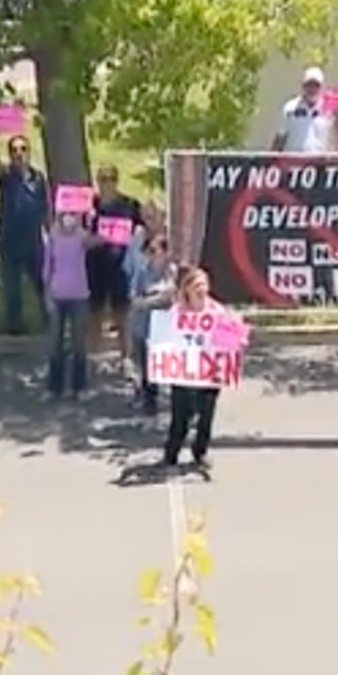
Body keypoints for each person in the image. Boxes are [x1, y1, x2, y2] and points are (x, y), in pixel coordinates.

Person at [161, 266, 227, 469]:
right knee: (180, 416)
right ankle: (171, 453)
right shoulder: (176, 313)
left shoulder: (217, 312)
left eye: (204, 284)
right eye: (196, 285)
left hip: (209, 372)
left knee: (206, 416)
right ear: (186, 289)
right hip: (183, 371)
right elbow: (165, 339)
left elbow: (227, 342)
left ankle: (200, 452)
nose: (201, 289)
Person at [0, 129, 49, 334]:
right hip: (11, 241)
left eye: (23, 149)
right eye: (14, 150)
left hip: (34, 241)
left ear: (29, 152)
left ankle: (49, 321)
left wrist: (50, 235)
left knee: (43, 283)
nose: (19, 153)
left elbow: (45, 208)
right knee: (12, 288)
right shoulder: (6, 176)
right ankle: (15, 325)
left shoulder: (38, 178)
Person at [88, 163, 145, 371]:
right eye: (102, 179)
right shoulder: (90, 206)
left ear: (116, 181)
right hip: (94, 265)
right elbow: (79, 233)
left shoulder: (129, 204)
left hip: (121, 266)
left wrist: (134, 239)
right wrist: (93, 239)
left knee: (122, 313)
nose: (106, 183)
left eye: (110, 178)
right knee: (95, 313)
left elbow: (142, 228)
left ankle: (126, 357)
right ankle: (94, 357)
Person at [42, 209, 94, 400]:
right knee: (55, 343)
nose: (69, 218)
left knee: (78, 343)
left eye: (73, 214)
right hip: (56, 295)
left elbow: (94, 242)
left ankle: (79, 387)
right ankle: (54, 387)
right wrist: (46, 292)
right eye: (65, 214)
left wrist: (89, 223)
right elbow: (47, 266)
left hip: (79, 295)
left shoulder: (82, 235)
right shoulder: (52, 235)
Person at [127, 234, 178, 415]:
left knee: (162, 366)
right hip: (142, 326)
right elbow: (134, 299)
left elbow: (172, 297)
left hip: (163, 329)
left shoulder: (172, 272)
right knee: (144, 367)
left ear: (165, 253)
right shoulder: (142, 272)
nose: (152, 255)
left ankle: (164, 402)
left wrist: (150, 299)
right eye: (149, 251)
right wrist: (156, 299)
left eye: (156, 251)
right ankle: (148, 403)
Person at [272, 66, 338, 153]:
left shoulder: (331, 108)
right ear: (303, 86)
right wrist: (270, 162)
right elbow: (280, 138)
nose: (312, 89)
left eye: (316, 85)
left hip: (321, 163)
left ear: (322, 87)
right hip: (295, 163)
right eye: (309, 85)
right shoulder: (290, 108)